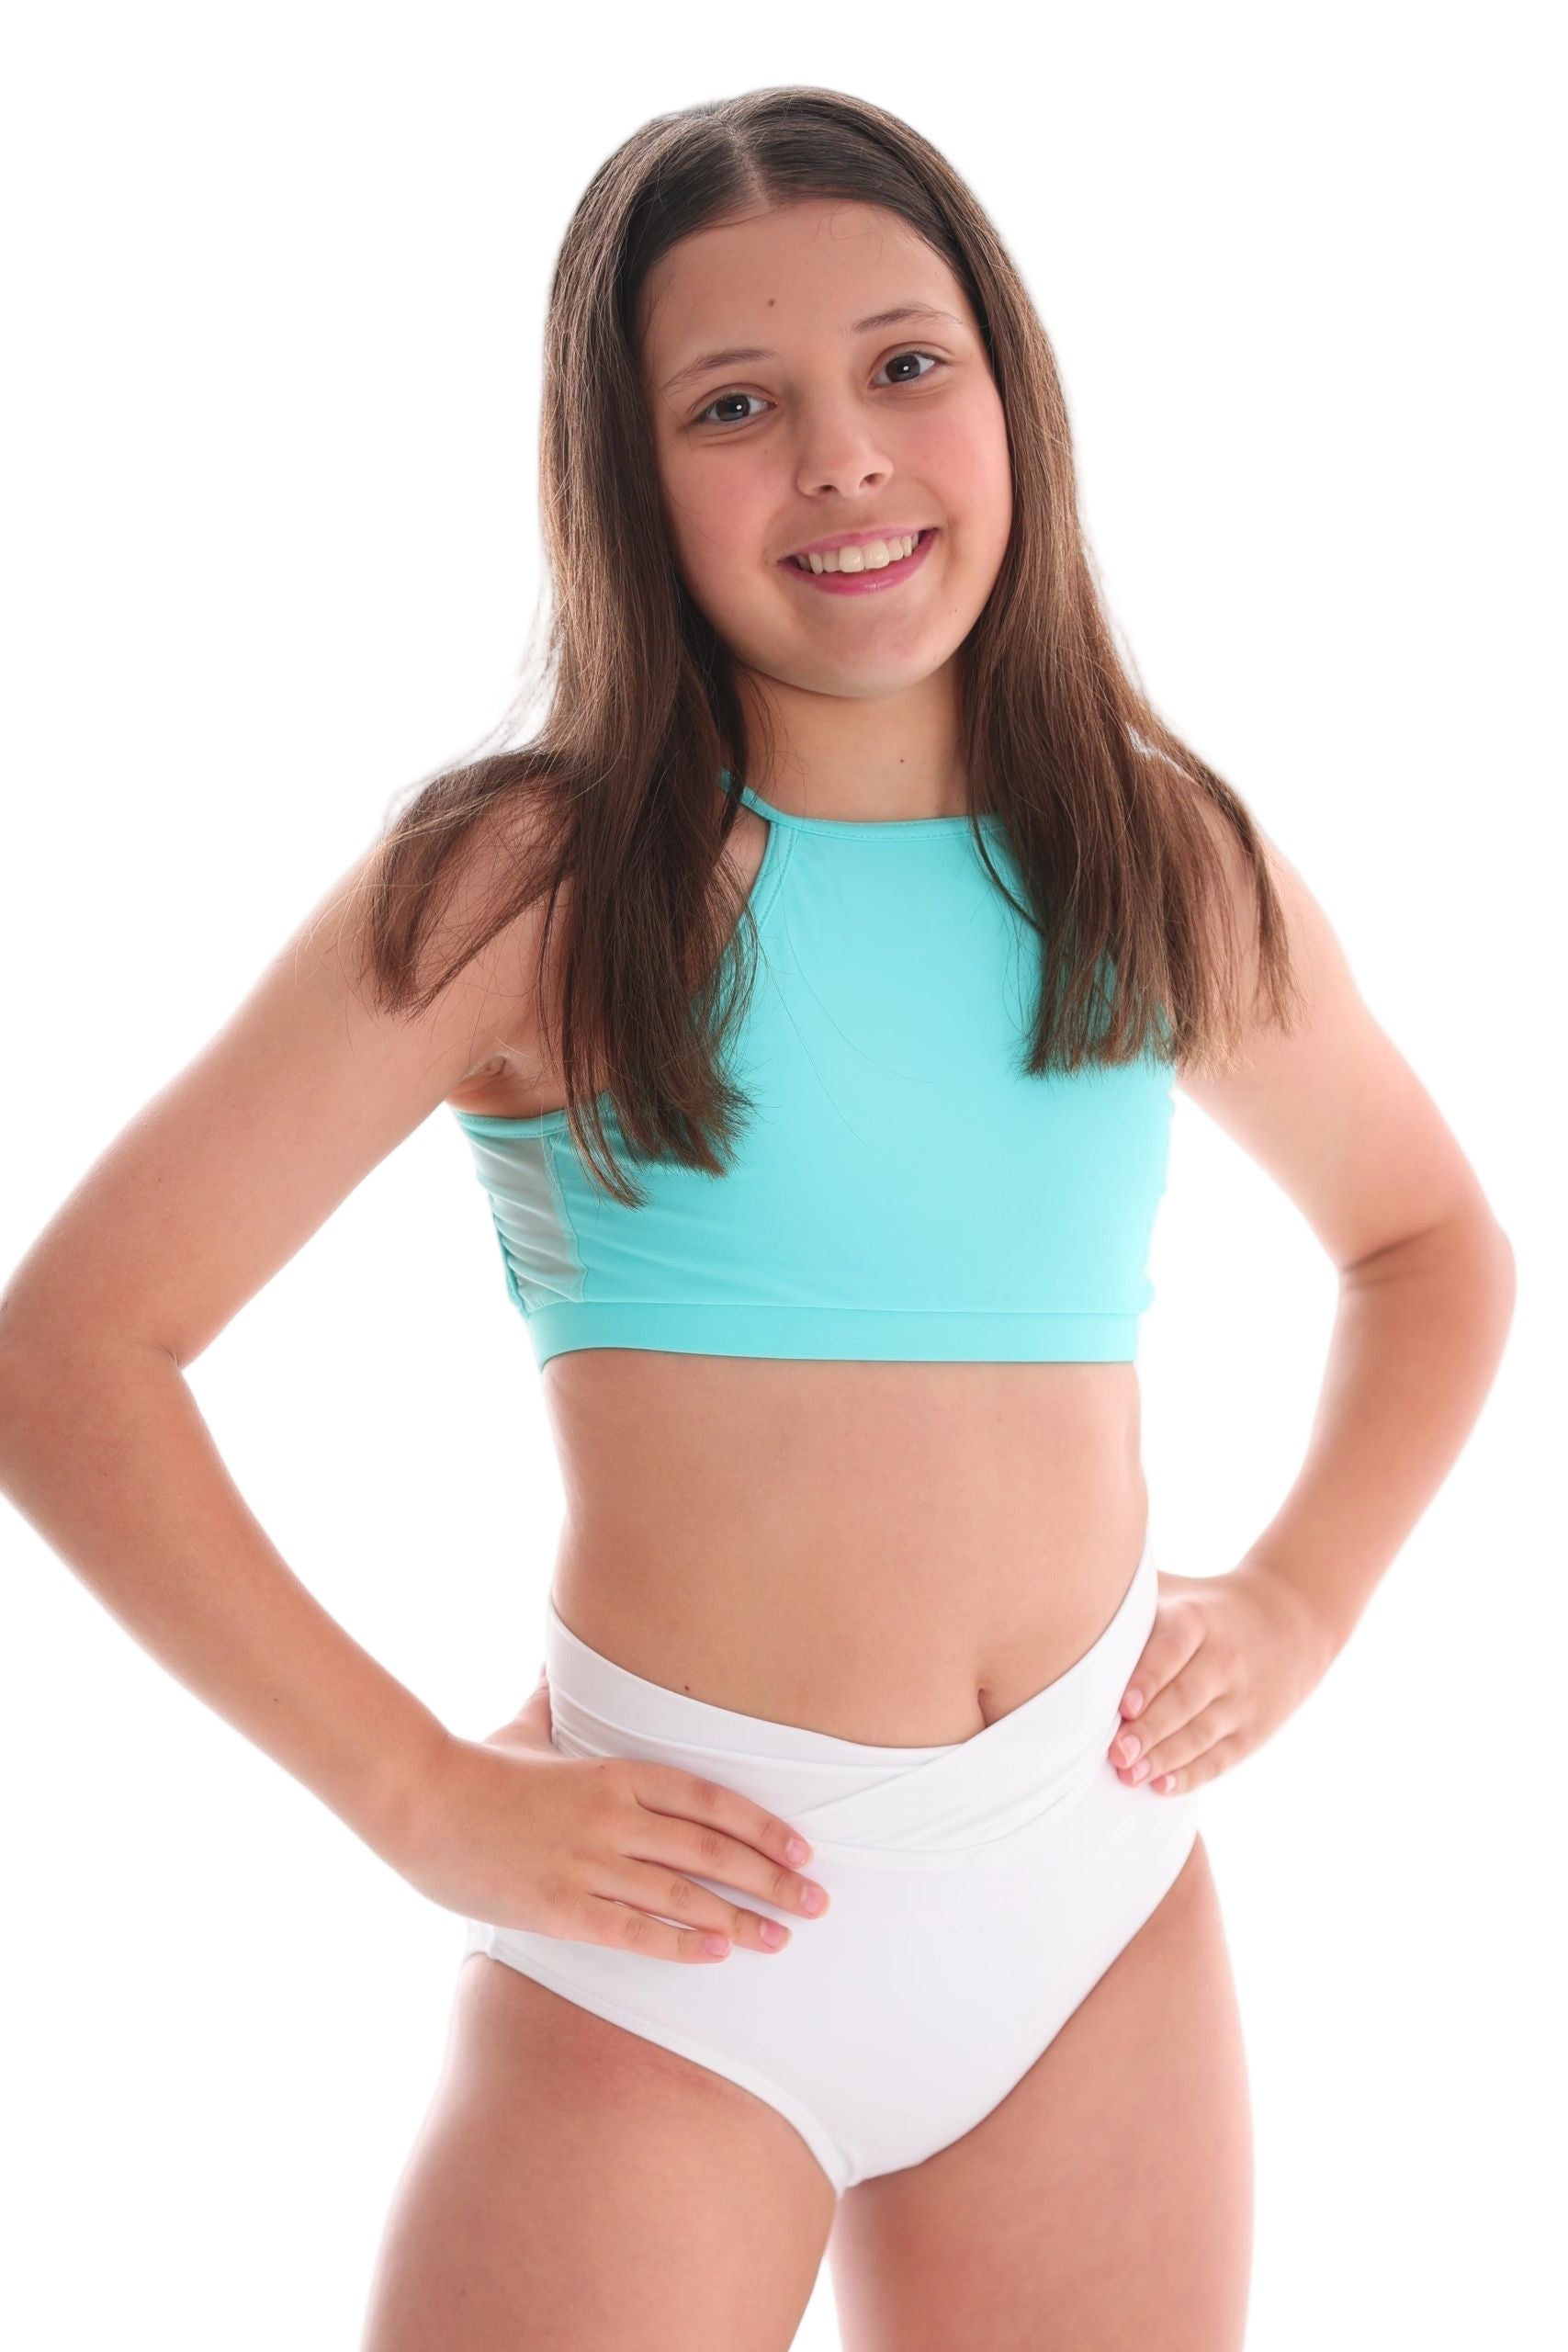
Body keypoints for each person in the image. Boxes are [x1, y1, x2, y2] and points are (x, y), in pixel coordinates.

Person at [0, 86, 1515, 2352]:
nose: (841, 456)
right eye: (735, 404)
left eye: (905, 364)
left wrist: (1299, 1595)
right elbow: (69, 1351)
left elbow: (1426, 1243)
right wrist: (413, 1791)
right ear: (625, 478)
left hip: (1088, 1899)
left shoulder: (1149, 860)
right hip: (679, 1942)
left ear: (1009, 391)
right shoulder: (527, 884)